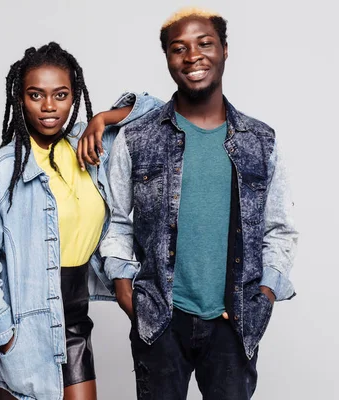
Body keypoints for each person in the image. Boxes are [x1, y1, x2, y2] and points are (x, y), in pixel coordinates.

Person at [81, 7, 299, 400]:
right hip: (160, 319)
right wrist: (126, 288)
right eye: (178, 48)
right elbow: (115, 221)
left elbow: (279, 228)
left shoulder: (260, 140)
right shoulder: (138, 138)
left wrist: (264, 294)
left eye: (204, 44)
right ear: (167, 58)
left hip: (234, 323)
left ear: (225, 50)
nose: (192, 56)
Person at [0, 42, 159, 400]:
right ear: (20, 99)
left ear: (74, 96)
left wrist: (103, 118)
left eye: (60, 95)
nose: (49, 107)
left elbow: (155, 111)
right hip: (23, 326)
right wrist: (3, 336)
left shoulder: (88, 145)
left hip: (75, 316)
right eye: (36, 95)